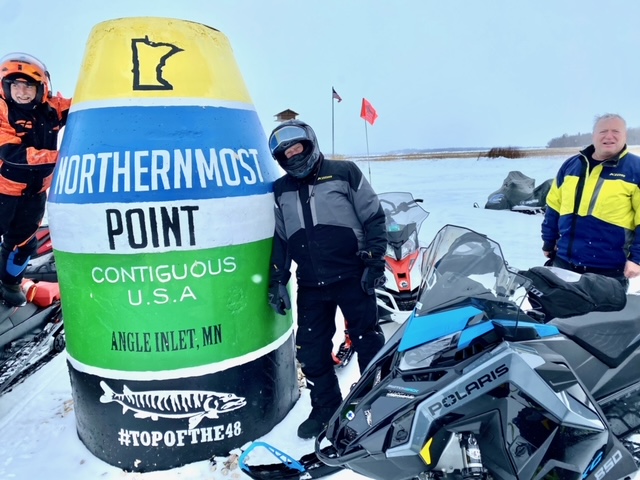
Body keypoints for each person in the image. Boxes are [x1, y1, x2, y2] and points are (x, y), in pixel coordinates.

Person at [267, 119, 387, 439]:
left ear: (310, 144)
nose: (294, 155)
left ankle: (375, 404)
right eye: (286, 153)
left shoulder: (344, 172)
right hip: (310, 283)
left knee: (367, 341)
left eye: (297, 148)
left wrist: (375, 261)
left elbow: (374, 217)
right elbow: (281, 238)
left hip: (353, 275)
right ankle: (325, 407)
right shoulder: (280, 190)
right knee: (310, 350)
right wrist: (277, 279)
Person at [0, 53, 71, 306]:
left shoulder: (52, 109)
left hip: (35, 194)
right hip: (3, 191)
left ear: (41, 88)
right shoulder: (2, 110)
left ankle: (10, 285)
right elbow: (11, 154)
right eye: (15, 85)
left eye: (28, 86)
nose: (22, 92)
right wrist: (63, 157)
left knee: (23, 245)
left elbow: (85, 106)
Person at [541, 113, 640, 288]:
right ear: (593, 135)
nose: (609, 136)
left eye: (616, 131)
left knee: (602, 308)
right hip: (564, 263)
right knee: (557, 306)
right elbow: (554, 206)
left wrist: (637, 258)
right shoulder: (571, 165)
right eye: (603, 131)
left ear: (625, 136)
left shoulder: (636, 169)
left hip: (608, 270)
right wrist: (549, 241)